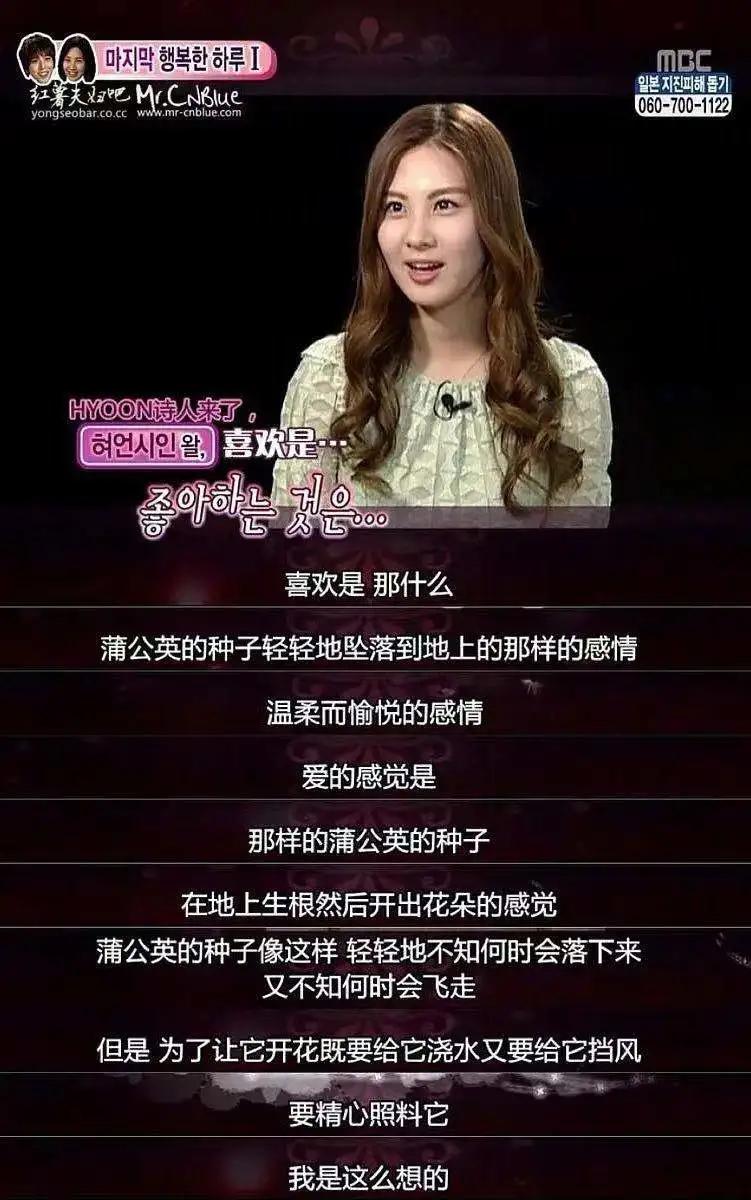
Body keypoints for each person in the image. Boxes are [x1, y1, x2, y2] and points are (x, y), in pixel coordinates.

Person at [272, 103, 613, 513]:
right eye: (395, 207)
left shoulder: (569, 386)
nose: (416, 237)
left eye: (444, 205)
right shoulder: (330, 379)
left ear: (493, 218)